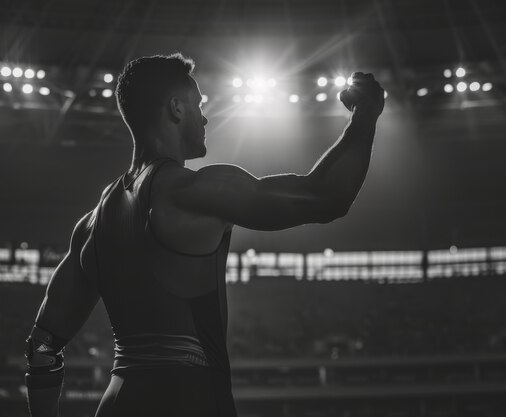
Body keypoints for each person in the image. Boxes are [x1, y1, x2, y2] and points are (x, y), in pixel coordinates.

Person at [24, 52, 385, 417]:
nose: (205, 116)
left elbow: (42, 346)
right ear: (177, 109)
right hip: (192, 401)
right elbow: (327, 198)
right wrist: (366, 115)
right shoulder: (193, 193)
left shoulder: (91, 226)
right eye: (199, 104)